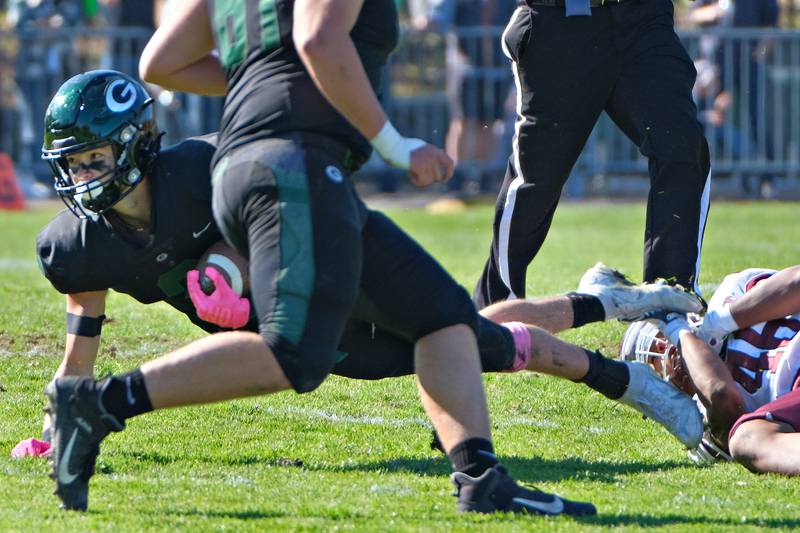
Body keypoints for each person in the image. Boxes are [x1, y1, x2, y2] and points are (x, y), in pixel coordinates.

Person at [40, 2, 696, 513]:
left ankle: (480, 476)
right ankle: (104, 402)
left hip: (262, 160)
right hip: (291, 159)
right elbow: (319, 39)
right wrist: (394, 140)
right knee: (294, 353)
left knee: (445, 319)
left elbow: (162, 62)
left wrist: (255, 83)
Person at [472, 0, 712, 309]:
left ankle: (670, 301)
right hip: (561, 20)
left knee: (682, 146)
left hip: (643, 21)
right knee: (538, 178)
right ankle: (494, 307)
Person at [624, 265, 800, 476]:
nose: (664, 348)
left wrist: (718, 324)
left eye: (660, 336)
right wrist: (676, 329)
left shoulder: (729, 297)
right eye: (654, 365)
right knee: (746, 439)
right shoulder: (703, 412)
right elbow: (719, 393)